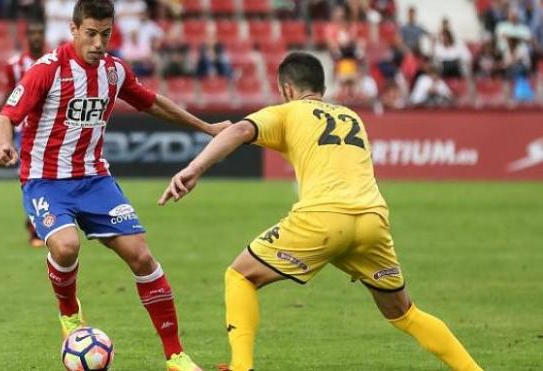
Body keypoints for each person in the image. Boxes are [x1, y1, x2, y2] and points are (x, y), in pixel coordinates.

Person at [159, 51, 483, 371]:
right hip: (372, 221)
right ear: (322, 89)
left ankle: (241, 367)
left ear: (287, 90)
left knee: (240, 275)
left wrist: (194, 168)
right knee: (405, 313)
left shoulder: (289, 112)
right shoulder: (352, 117)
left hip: (323, 220)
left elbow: (242, 131)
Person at [0, 1, 229, 370]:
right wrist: (5, 144)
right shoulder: (47, 70)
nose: (99, 42)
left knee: (142, 257)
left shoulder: (114, 72)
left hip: (95, 180)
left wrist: (208, 128)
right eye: (91, 33)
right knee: (66, 247)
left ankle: (175, 355)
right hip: (46, 181)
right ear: (73, 30)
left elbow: (154, 103)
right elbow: (5, 118)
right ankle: (69, 313)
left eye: (105, 33)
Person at [3, 18, 47, 248]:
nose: (37, 37)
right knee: (33, 179)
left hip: (50, 129)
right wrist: (6, 130)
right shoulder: (14, 65)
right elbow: (9, 98)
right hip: (25, 132)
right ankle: (35, 229)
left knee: (48, 179)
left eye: (40, 32)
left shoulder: (56, 61)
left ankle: (40, 224)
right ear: (27, 36)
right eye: (33, 32)